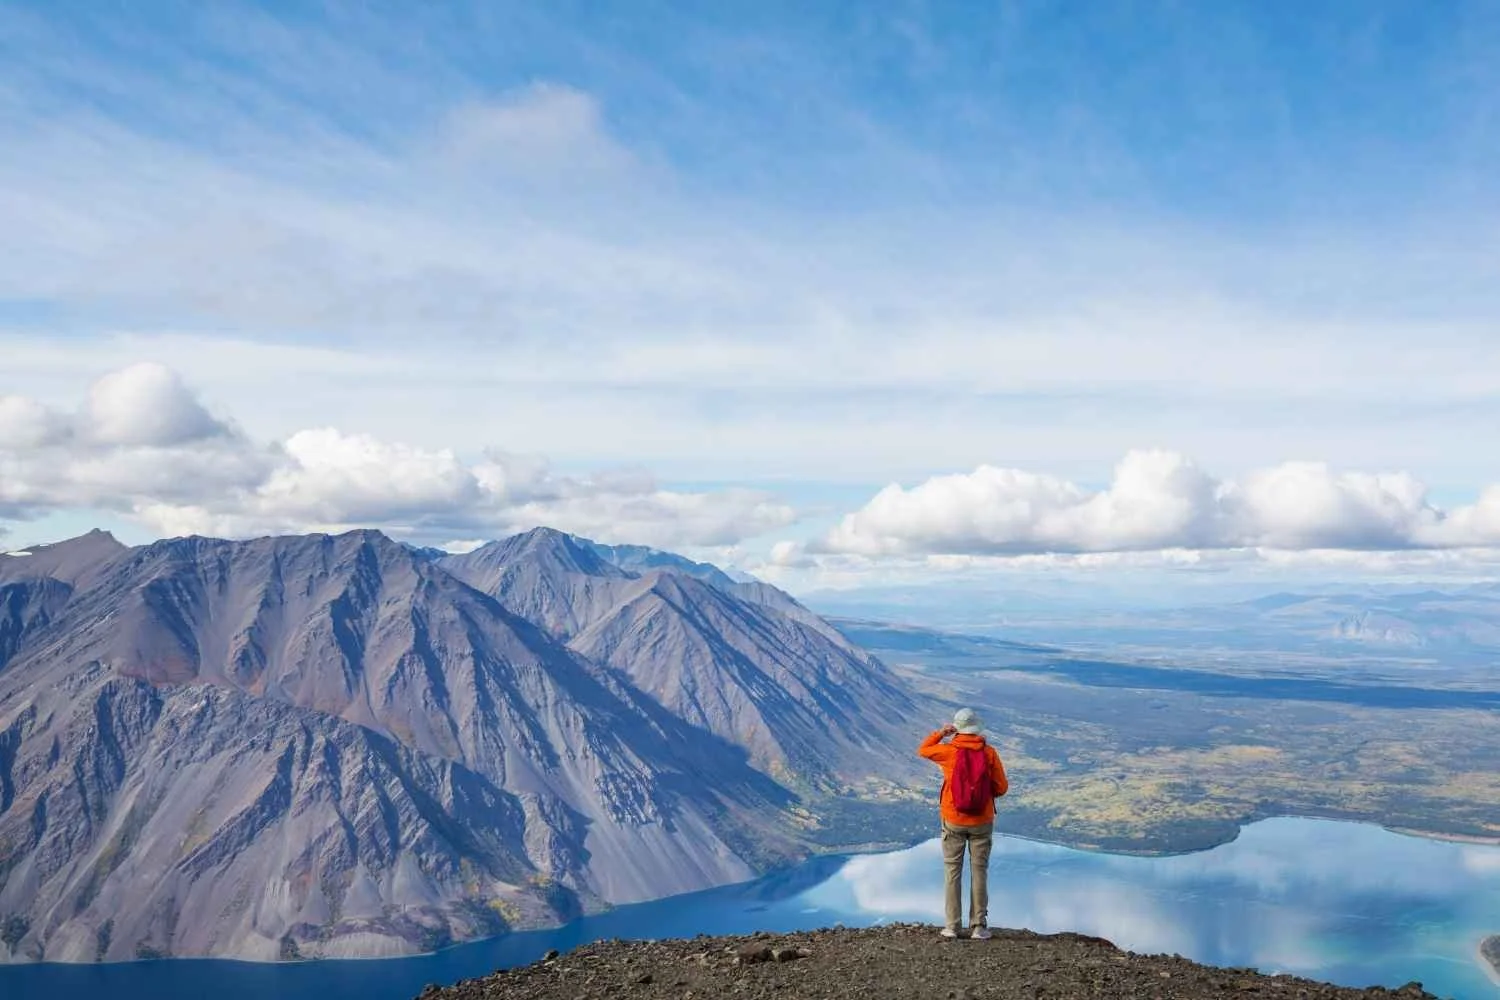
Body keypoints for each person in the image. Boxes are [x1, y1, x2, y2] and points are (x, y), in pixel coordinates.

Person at [918, 707, 1009, 940]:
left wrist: (941, 733)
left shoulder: (948, 751)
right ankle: (979, 927)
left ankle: (952, 927)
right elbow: (1001, 788)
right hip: (982, 821)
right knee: (979, 872)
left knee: (952, 871)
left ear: (957, 728)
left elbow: (923, 750)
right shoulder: (989, 753)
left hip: (953, 820)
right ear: (977, 728)